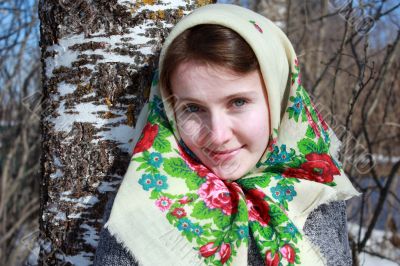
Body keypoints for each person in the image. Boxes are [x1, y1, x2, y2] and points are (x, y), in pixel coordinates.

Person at [94, 4, 359, 266]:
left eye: (238, 102)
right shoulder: (144, 200)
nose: (218, 135)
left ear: (278, 98)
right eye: (193, 108)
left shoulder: (317, 195)